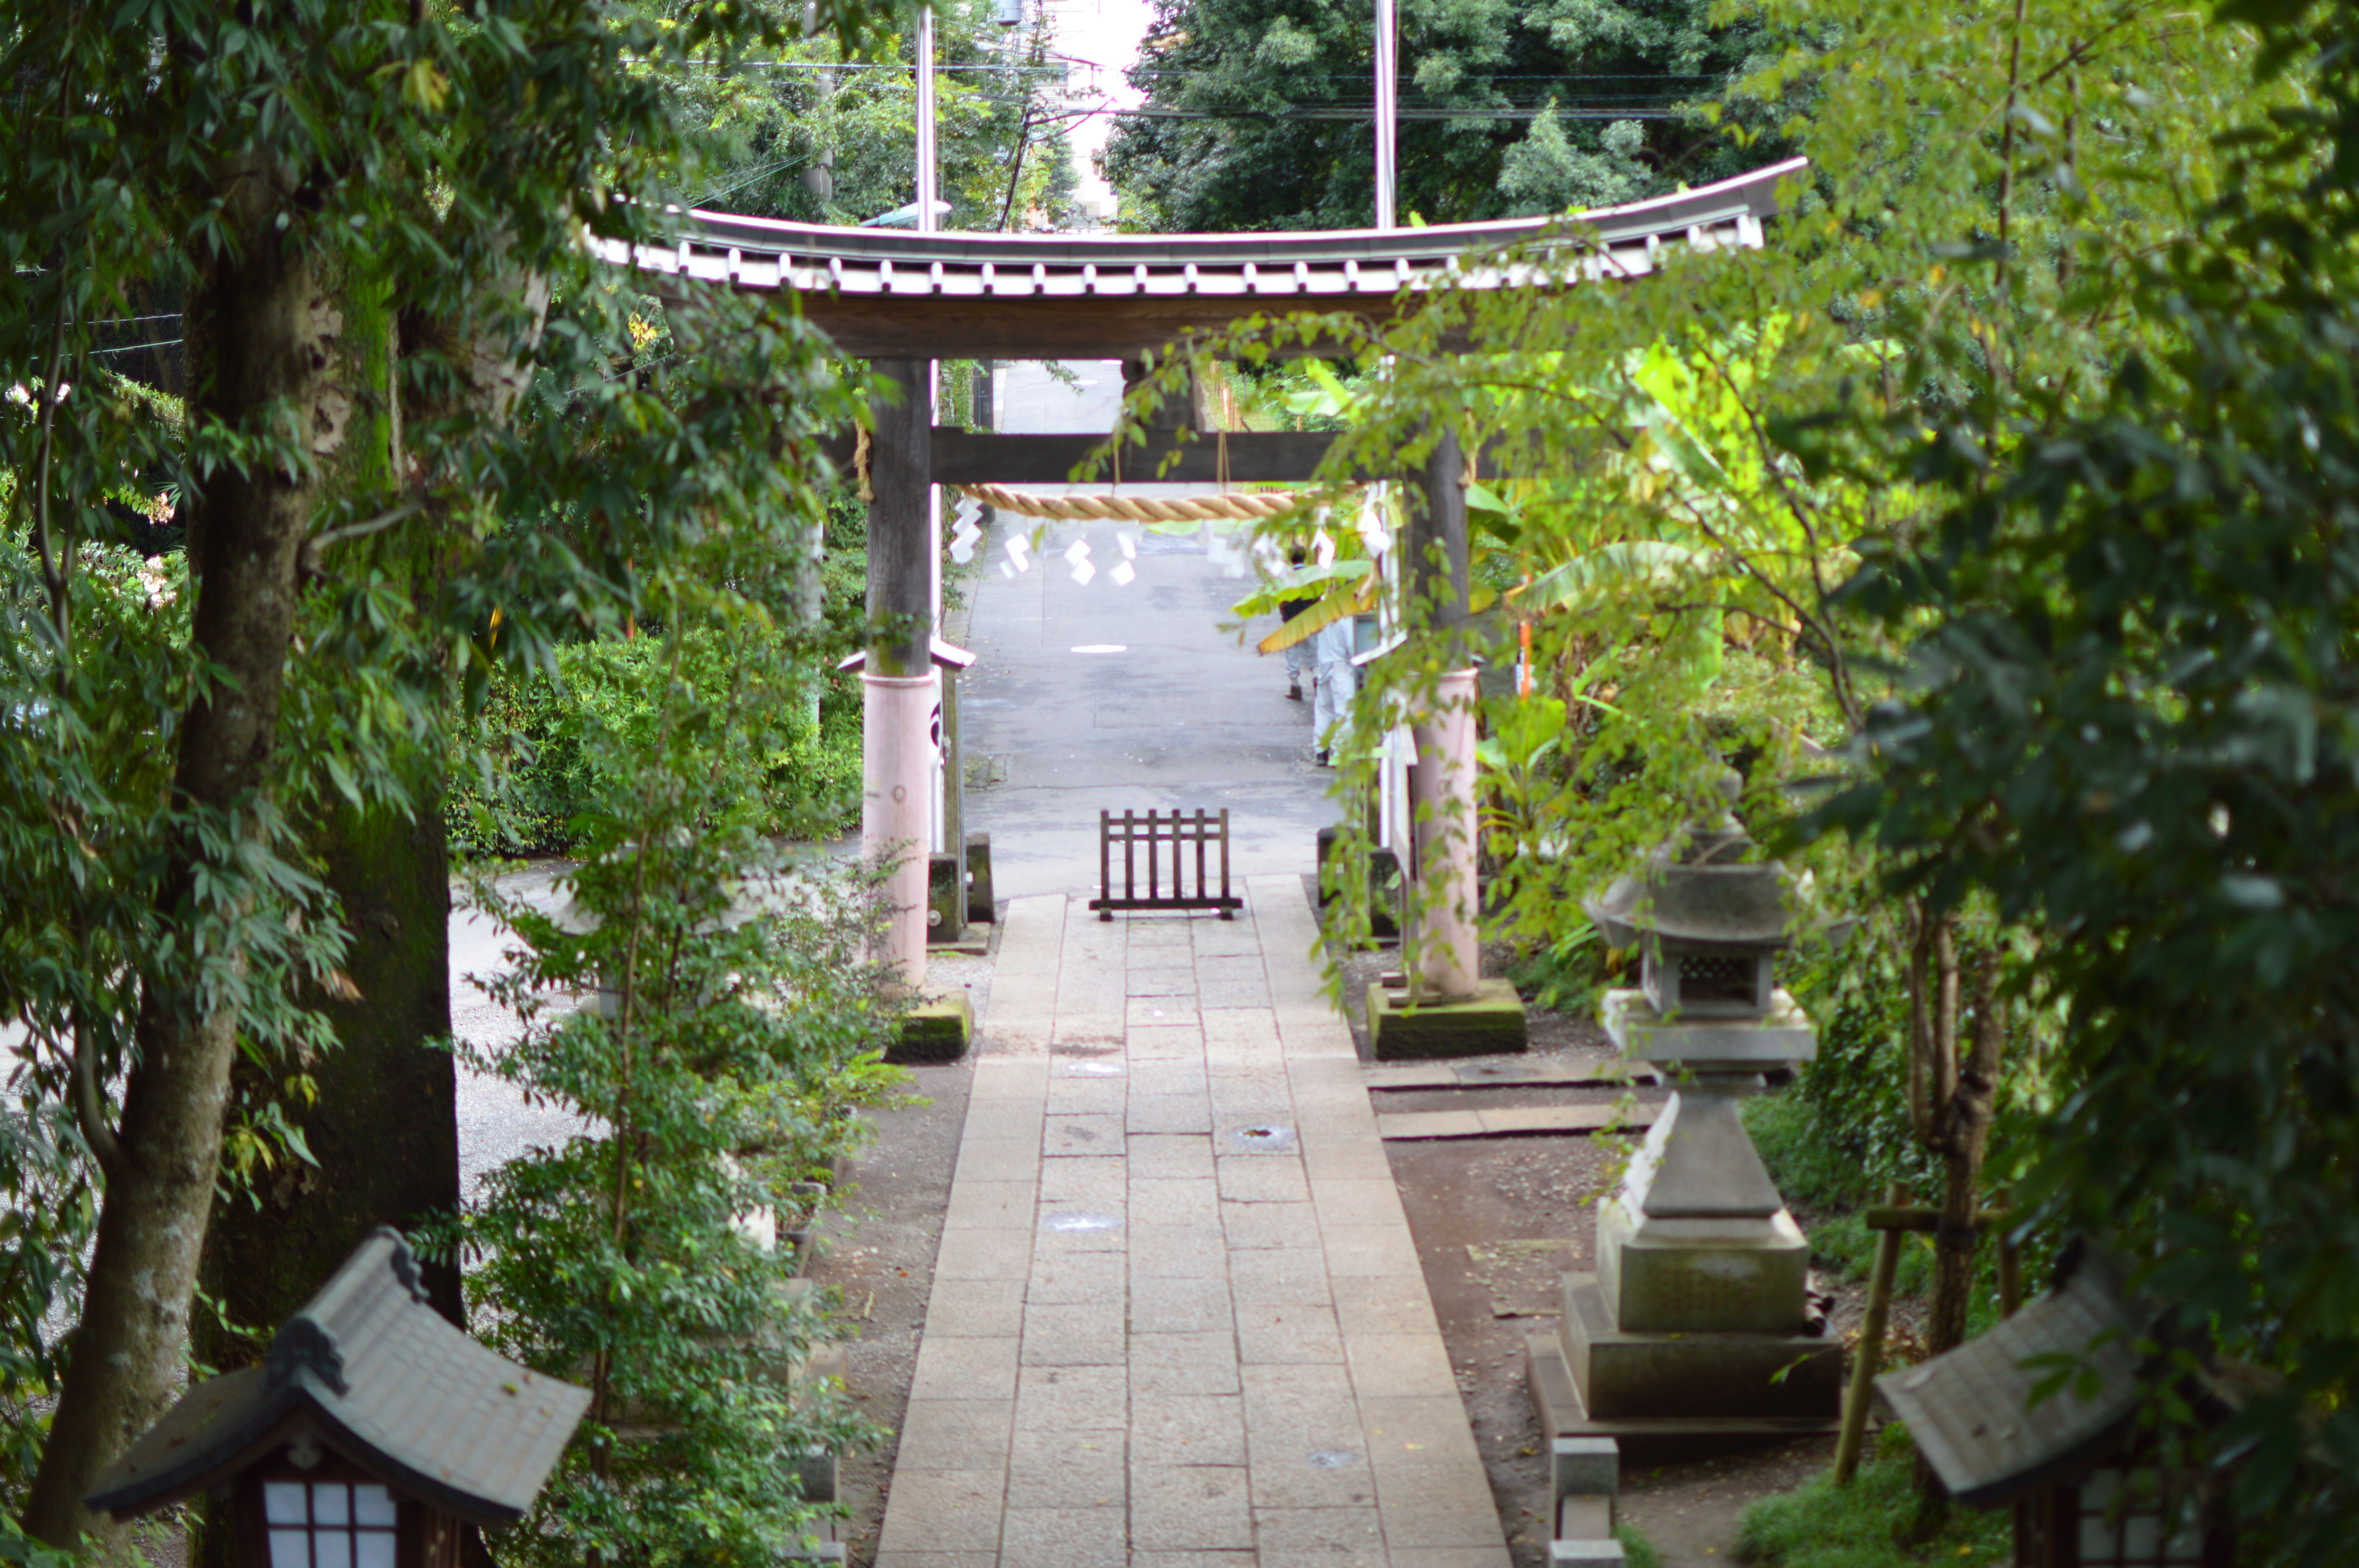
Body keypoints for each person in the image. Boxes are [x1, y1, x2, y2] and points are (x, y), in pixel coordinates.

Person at [1311, 612, 1357, 766]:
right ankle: (1340, 751)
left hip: (1324, 669)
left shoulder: (1325, 618)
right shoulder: (1347, 620)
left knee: (1324, 711)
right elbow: (1353, 648)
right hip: (1341, 670)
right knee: (1345, 713)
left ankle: (1320, 750)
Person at [1278, 548, 1315, 699]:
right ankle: (1318, 681)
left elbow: (1281, 600)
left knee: (1292, 652)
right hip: (1309, 617)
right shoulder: (1313, 574)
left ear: (1290, 558)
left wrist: (1285, 617)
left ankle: (1295, 686)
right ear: (1305, 557)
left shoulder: (1286, 576)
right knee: (1313, 649)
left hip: (1292, 617)